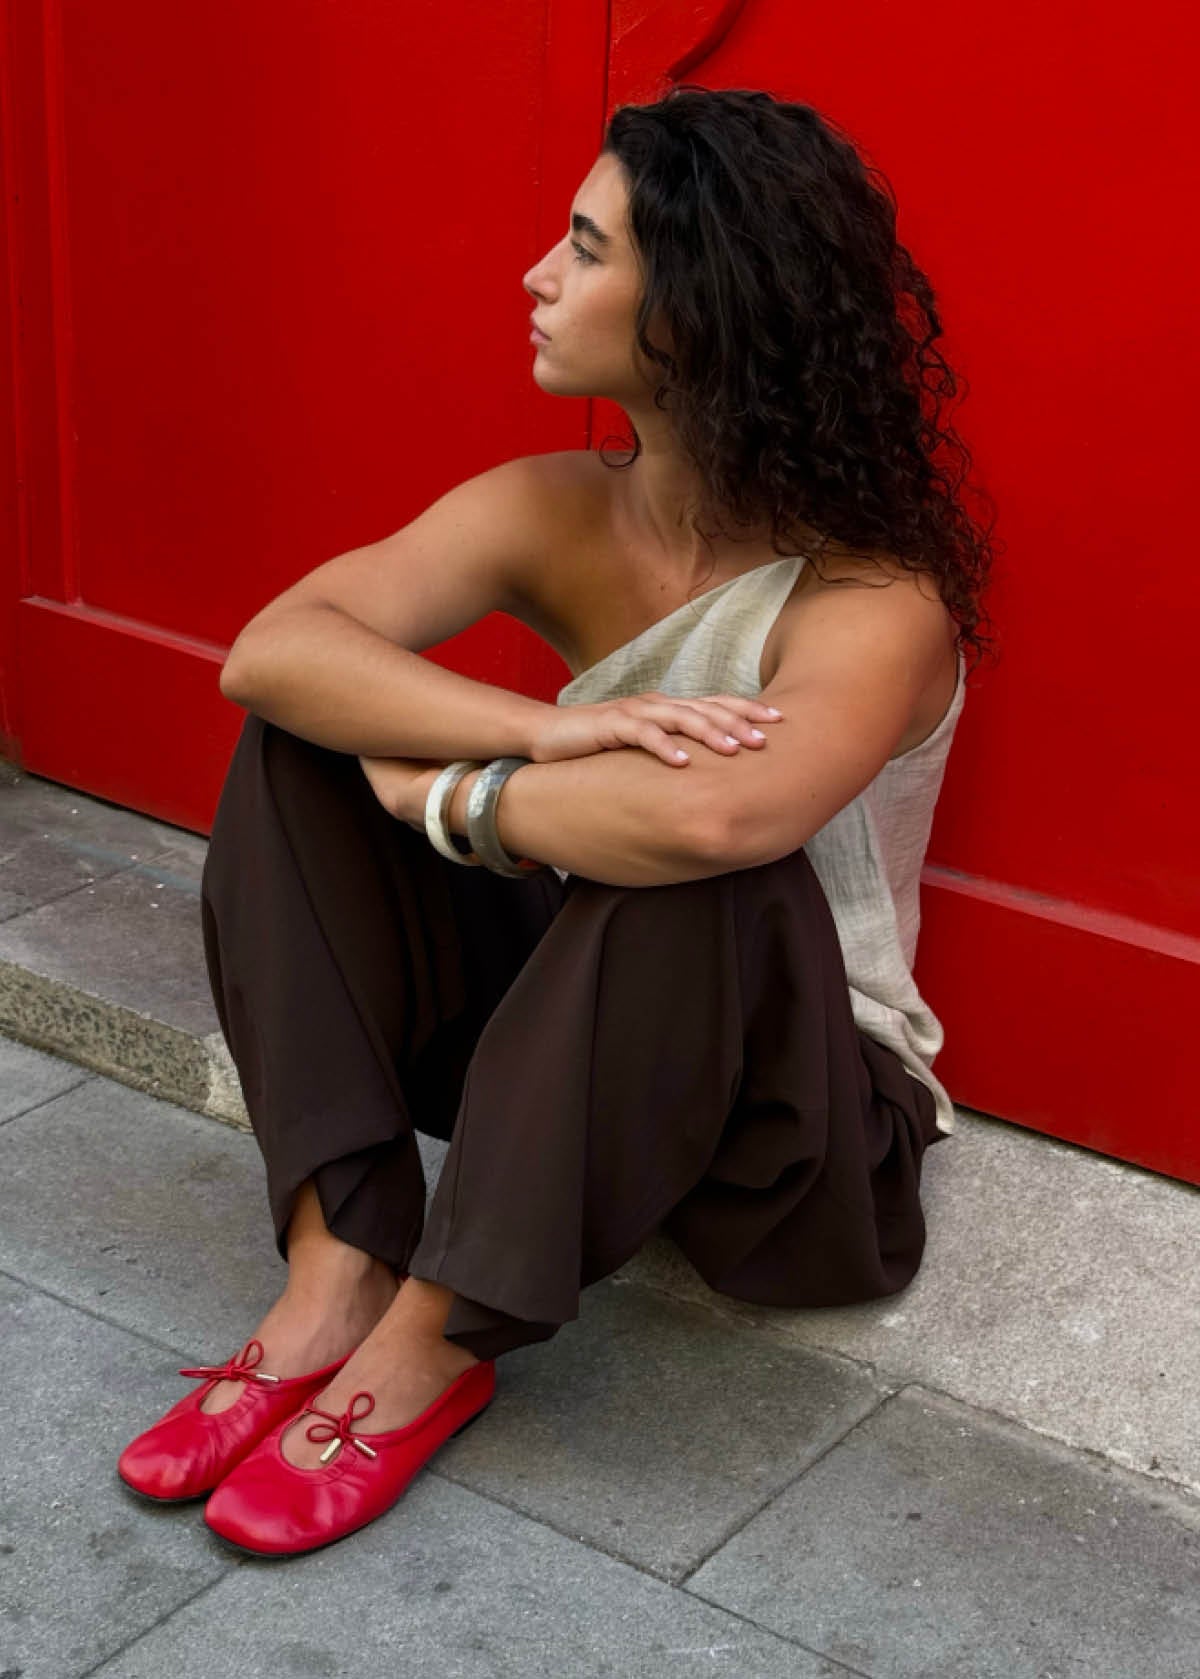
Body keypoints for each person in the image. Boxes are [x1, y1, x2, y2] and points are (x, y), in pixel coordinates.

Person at [116, 84, 997, 1558]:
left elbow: (724, 818)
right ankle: (336, 1268)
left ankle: (432, 1343)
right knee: (304, 742)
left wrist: (449, 792)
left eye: (586, 250)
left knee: (701, 861)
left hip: (800, 1132)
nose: (538, 275)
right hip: (591, 1049)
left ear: (696, 312)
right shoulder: (557, 509)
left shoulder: (877, 598)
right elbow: (272, 648)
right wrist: (542, 725)